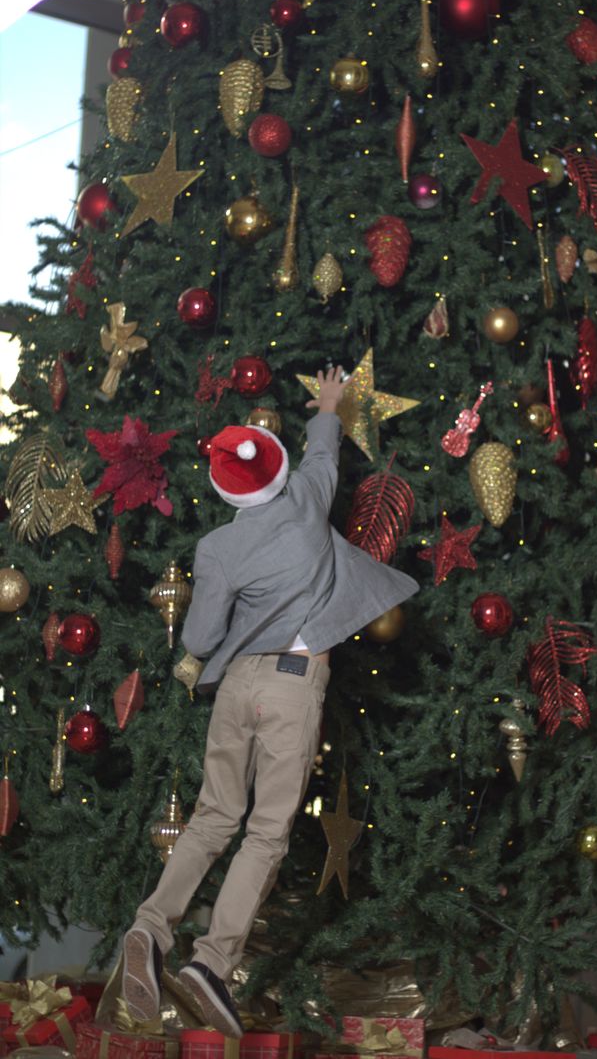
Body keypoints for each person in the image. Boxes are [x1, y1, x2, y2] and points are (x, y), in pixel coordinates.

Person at [122, 365, 419, 1037]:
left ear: (228, 488)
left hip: (235, 684)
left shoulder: (217, 546)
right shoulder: (309, 502)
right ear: (280, 471)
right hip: (292, 680)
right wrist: (331, 405)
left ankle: (149, 927)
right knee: (265, 829)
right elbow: (323, 452)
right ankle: (212, 963)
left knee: (212, 816)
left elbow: (198, 634)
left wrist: (200, 646)